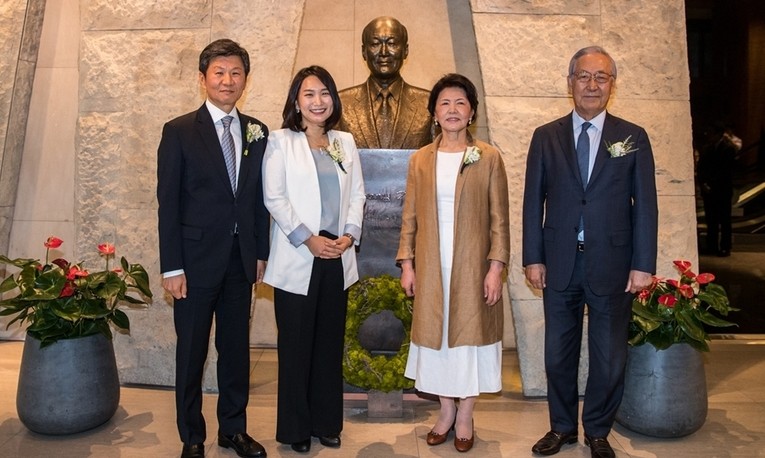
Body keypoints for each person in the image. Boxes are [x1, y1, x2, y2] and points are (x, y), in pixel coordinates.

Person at [522, 46, 658, 458]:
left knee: (609, 355)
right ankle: (561, 427)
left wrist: (643, 265)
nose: (592, 85)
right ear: (570, 83)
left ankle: (598, 429)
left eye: (602, 77)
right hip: (559, 262)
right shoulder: (546, 136)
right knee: (558, 354)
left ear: (612, 85)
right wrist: (533, 257)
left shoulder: (632, 137)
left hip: (613, 264)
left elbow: (646, 205)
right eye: (584, 76)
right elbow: (533, 201)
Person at [157, 39, 270, 458]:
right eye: (219, 72)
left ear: (245, 79)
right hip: (194, 263)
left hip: (241, 263)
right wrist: (172, 267)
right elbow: (168, 204)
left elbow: (258, 199)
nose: (228, 80)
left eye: (236, 72)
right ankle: (192, 436)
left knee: (236, 350)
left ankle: (233, 430)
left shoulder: (258, 132)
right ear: (203, 78)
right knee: (191, 352)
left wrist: (261, 252)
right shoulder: (180, 130)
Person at [397, 73, 510, 453]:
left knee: (469, 343)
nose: (452, 110)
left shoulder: (488, 157)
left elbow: (500, 219)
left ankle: (466, 415)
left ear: (472, 111)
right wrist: (407, 264)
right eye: (444, 103)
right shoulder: (420, 160)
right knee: (438, 342)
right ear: (434, 113)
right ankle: (445, 411)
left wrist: (496, 267)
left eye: (460, 103)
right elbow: (409, 216)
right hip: (431, 267)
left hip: (472, 267)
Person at [262, 65, 366, 454]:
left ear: (333, 99)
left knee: (327, 345)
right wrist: (308, 239)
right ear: (296, 101)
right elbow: (274, 198)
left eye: (324, 93)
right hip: (299, 256)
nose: (318, 101)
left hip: (336, 255)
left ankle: (327, 423)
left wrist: (349, 235)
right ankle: (295, 430)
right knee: (296, 347)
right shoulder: (280, 141)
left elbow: (357, 193)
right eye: (309, 94)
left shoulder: (344, 142)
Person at [338, 16, 432, 149]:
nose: (384, 52)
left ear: (405, 50)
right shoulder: (341, 102)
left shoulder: (429, 103)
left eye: (392, 43)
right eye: (375, 44)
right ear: (364, 52)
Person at [697, 123, 740, 257]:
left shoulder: (728, 149)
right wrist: (703, 183)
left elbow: (726, 171)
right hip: (709, 190)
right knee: (711, 219)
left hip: (722, 189)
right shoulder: (707, 149)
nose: (709, 136)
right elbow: (701, 168)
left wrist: (713, 184)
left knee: (724, 220)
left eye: (711, 133)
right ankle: (712, 246)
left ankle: (725, 247)